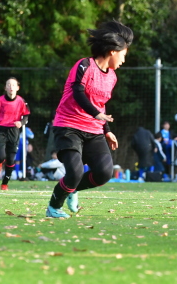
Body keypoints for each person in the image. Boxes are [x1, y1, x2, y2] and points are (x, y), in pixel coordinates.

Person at [45, 20, 133, 218]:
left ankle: (72, 189)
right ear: (113, 51)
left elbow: (100, 105)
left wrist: (107, 129)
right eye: (124, 55)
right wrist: (97, 114)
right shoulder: (84, 65)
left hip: (94, 130)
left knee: (104, 173)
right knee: (74, 173)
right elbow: (78, 93)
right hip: (68, 127)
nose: (124, 60)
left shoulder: (112, 77)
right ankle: (53, 208)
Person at [0, 77, 30, 190]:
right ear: (5, 87)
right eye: (8, 85)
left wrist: (21, 123)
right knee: (0, 156)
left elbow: (26, 116)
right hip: (1, 130)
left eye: (13, 85)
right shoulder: (0, 100)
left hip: (14, 131)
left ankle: (4, 184)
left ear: (17, 88)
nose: (11, 87)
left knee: (11, 159)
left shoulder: (21, 101)